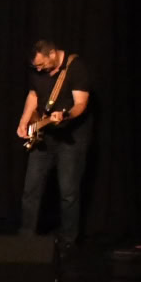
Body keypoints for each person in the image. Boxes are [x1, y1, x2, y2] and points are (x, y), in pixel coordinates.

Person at [16, 39, 96, 242]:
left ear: (53, 54)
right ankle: (26, 237)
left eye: (41, 64)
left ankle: (68, 240)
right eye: (36, 66)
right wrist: (23, 122)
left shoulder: (76, 68)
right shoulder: (38, 70)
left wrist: (66, 115)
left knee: (68, 191)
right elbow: (33, 95)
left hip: (71, 139)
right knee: (30, 189)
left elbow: (80, 104)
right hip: (44, 135)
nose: (39, 69)